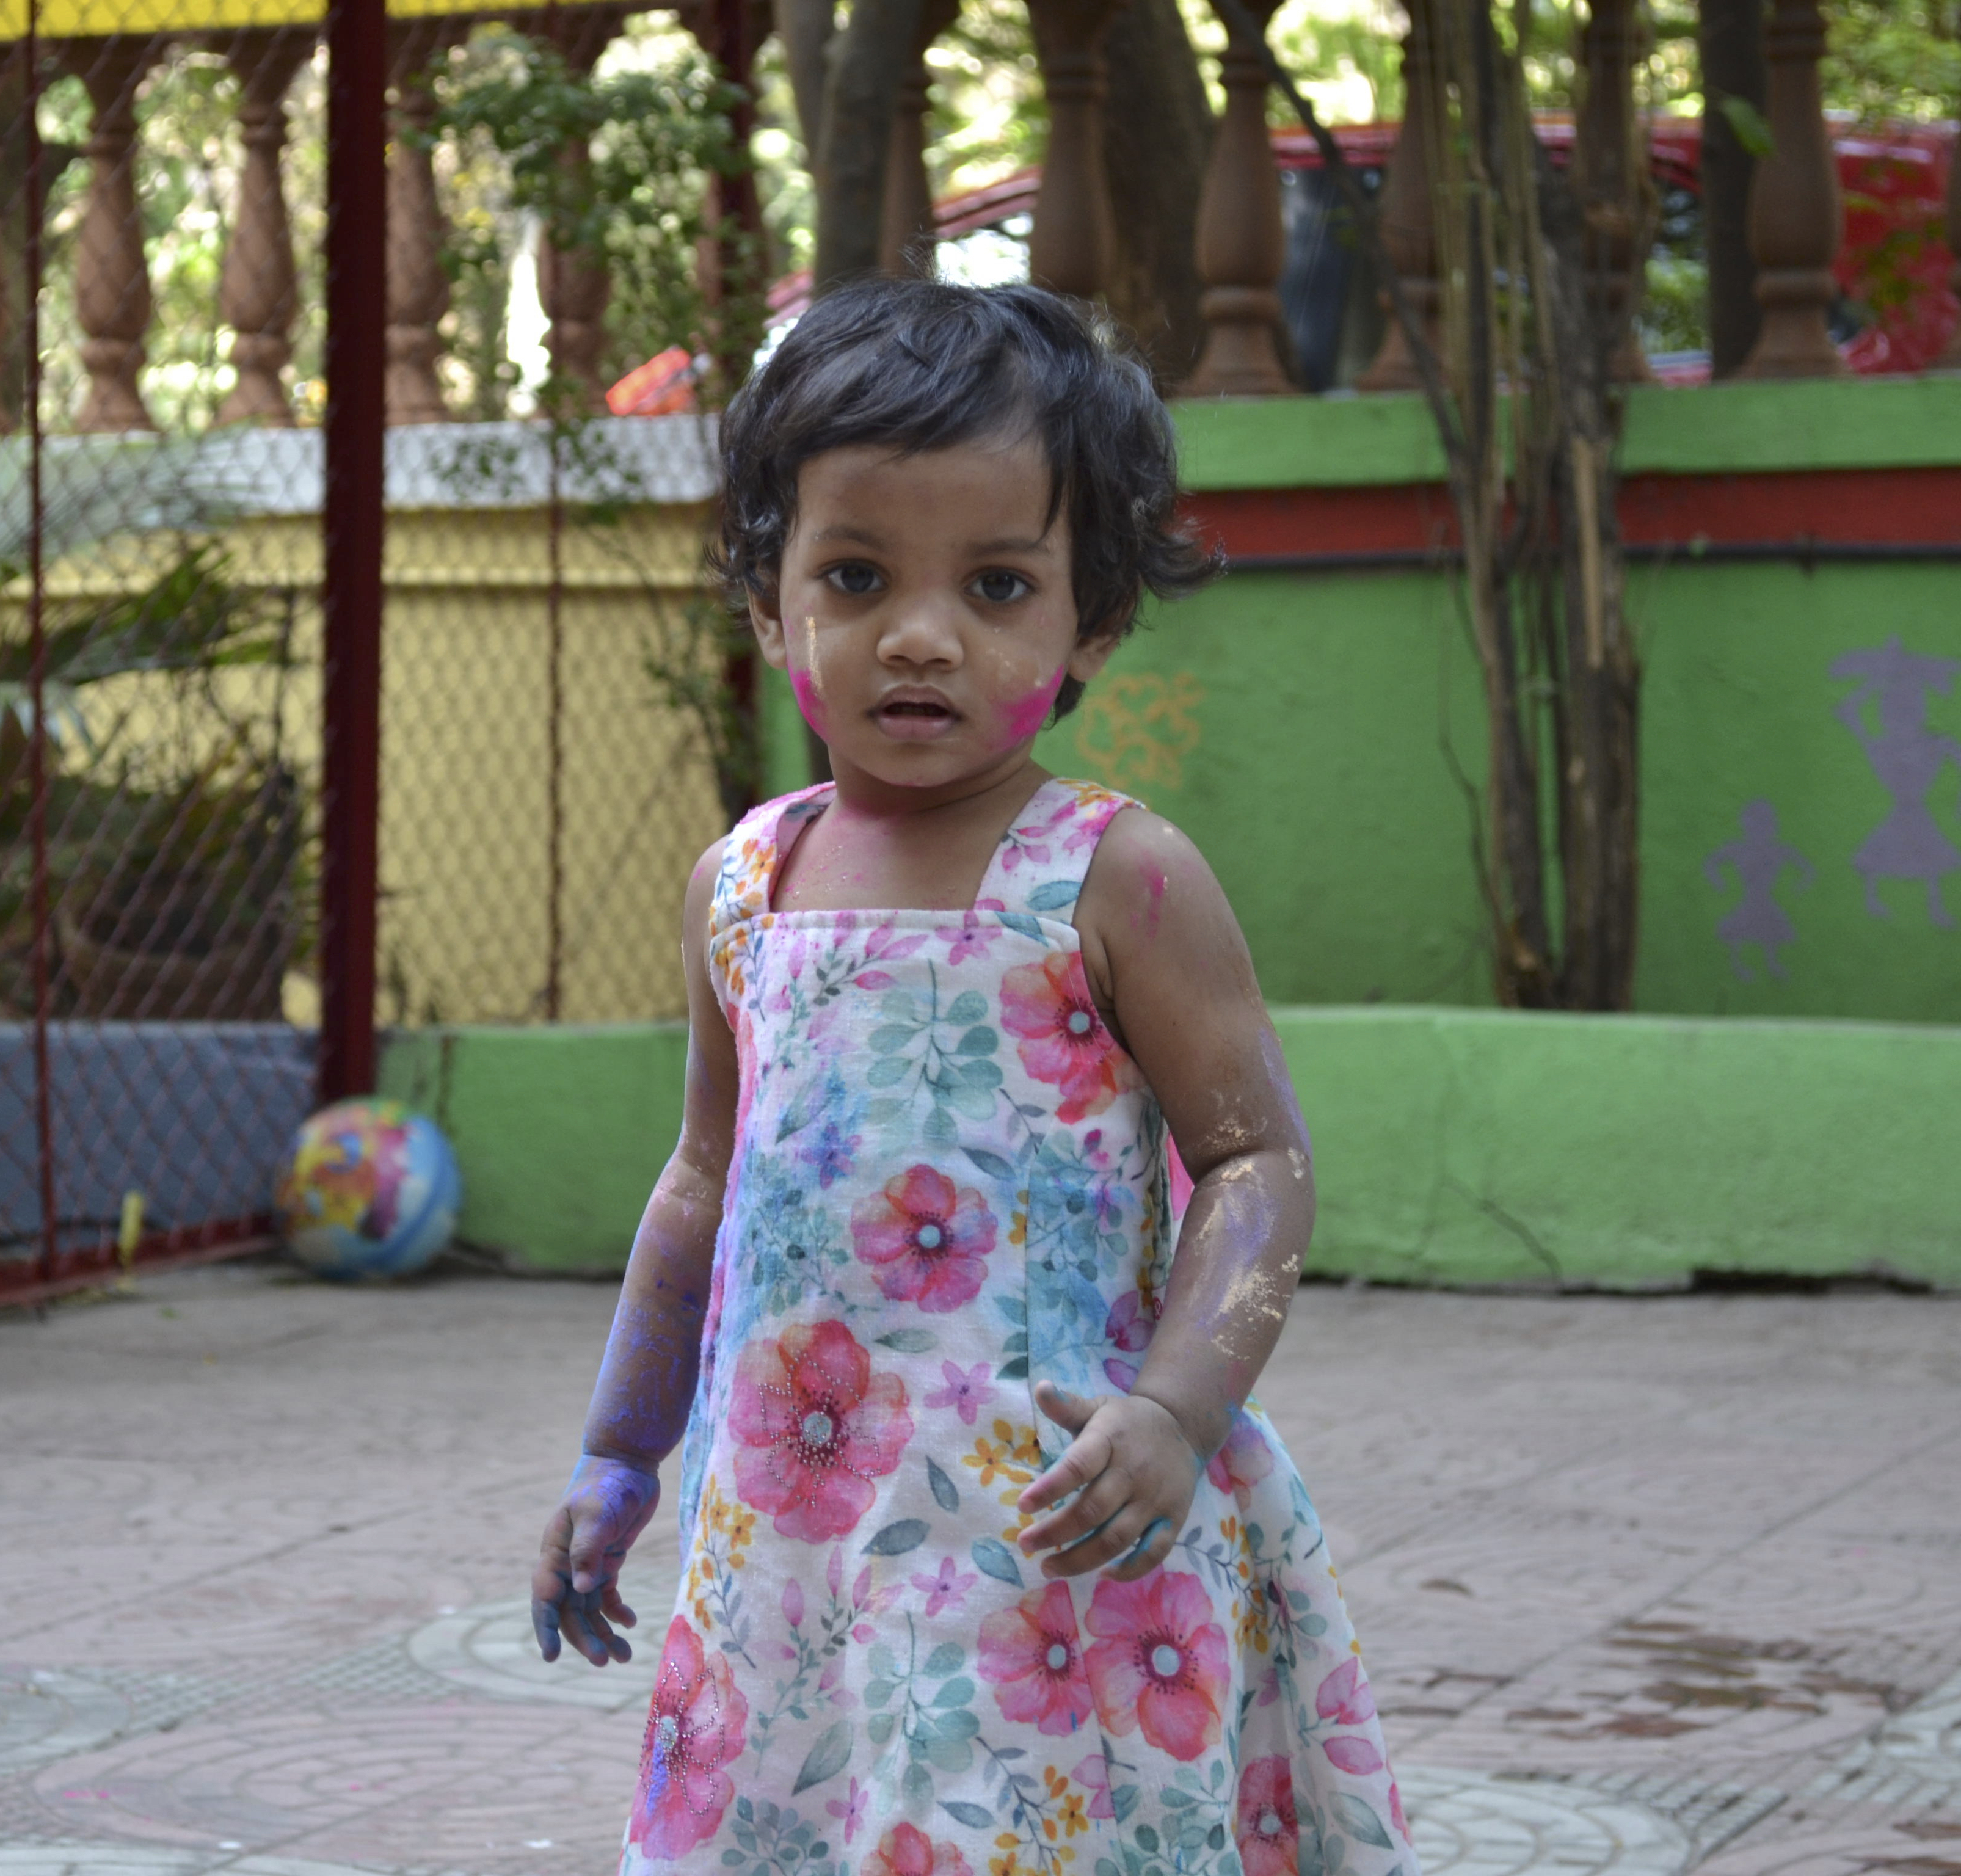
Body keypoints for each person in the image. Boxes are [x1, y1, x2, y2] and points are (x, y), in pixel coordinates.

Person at [531, 277, 1420, 1876]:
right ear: (768, 599)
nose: (921, 634)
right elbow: (699, 1181)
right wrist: (619, 1450)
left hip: (1055, 1535)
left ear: (1090, 624)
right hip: (792, 1547)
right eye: (857, 575)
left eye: (997, 584)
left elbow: (1258, 1167)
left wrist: (1175, 1409)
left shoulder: (1118, 878)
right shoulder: (742, 886)